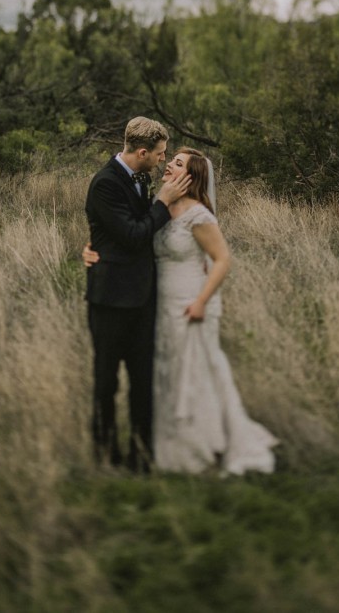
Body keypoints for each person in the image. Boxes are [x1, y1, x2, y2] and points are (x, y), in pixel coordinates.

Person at [85, 146, 278, 476]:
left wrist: (201, 300)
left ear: (191, 176)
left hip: (189, 299)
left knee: (193, 370)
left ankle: (204, 442)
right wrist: (92, 248)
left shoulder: (199, 214)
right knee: (166, 372)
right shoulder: (158, 206)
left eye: (175, 163)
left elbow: (223, 260)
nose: (167, 166)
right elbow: (130, 232)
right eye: (168, 159)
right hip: (156, 301)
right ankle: (162, 445)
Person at [84, 117, 191, 472]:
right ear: (142, 152)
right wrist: (162, 202)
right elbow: (131, 234)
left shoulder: (140, 178)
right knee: (107, 380)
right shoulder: (105, 184)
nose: (164, 159)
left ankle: (141, 457)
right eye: (160, 154)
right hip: (110, 300)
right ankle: (104, 453)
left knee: (143, 381)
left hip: (144, 299)